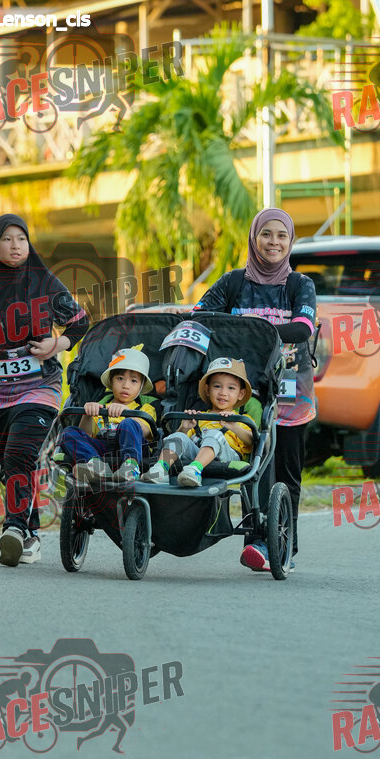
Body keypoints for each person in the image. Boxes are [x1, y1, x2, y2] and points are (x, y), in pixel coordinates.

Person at [0, 214, 88, 567]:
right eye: (7, 239)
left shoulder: (44, 281)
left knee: (19, 454)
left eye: (21, 239)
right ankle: (30, 536)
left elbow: (80, 322)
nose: (15, 246)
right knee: (12, 465)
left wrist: (57, 345)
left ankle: (12, 527)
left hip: (40, 385)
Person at [193, 208, 317, 570]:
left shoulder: (299, 285)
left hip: (291, 397)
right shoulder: (232, 282)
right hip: (242, 395)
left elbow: (303, 328)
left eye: (281, 235)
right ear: (254, 238)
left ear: (290, 241)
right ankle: (258, 543)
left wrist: (244, 330)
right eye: (266, 234)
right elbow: (199, 316)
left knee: (286, 475)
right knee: (255, 469)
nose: (273, 242)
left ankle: (283, 547)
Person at [142, 357, 261, 487]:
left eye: (231, 388)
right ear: (207, 390)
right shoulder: (199, 417)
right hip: (197, 454)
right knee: (178, 436)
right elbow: (181, 442)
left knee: (214, 434)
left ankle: (195, 469)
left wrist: (235, 427)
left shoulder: (241, 419)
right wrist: (184, 428)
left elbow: (253, 441)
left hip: (227, 457)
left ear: (241, 394)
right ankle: (160, 469)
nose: (223, 393)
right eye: (217, 386)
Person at [59, 345, 156, 483]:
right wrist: (88, 414)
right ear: (111, 380)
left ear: (141, 386)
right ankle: (95, 464)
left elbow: (146, 431)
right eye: (120, 378)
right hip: (104, 450)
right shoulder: (101, 407)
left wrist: (127, 414)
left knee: (129, 423)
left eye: (133, 381)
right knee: (68, 433)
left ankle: (131, 467)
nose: (126, 385)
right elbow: (86, 435)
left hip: (135, 449)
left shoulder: (144, 409)